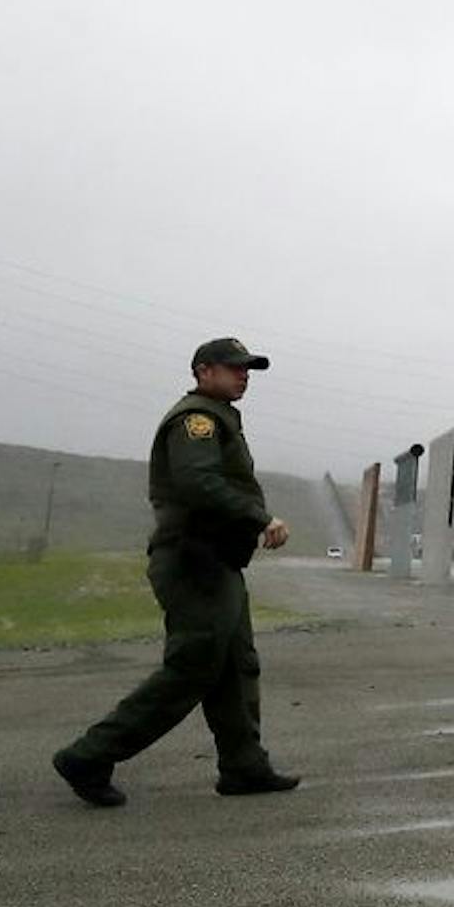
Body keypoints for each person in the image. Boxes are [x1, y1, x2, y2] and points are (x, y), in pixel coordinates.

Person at [52, 337, 298, 807]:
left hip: (216, 562)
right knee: (193, 667)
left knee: (234, 664)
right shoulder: (196, 420)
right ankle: (89, 755)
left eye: (248, 369)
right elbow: (196, 482)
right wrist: (259, 518)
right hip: (193, 561)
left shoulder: (221, 416)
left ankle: (244, 765)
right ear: (204, 372)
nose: (244, 375)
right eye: (234, 368)